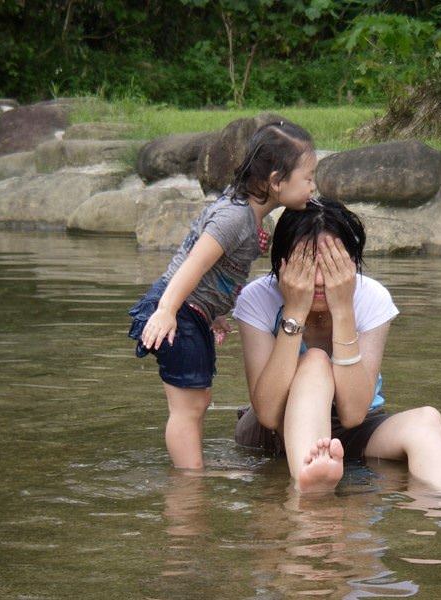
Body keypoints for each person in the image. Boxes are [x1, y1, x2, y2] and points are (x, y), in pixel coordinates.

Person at [233, 198, 441, 505]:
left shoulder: (370, 298)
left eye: (332, 265)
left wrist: (343, 310)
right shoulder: (258, 298)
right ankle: (309, 484)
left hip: (352, 428)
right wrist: (295, 311)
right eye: (307, 266)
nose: (321, 280)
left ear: (352, 263)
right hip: (275, 428)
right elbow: (268, 413)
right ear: (282, 263)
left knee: (426, 420)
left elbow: (353, 414)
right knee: (315, 361)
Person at [128, 121, 317, 469]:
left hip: (191, 310)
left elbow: (215, 273)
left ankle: (191, 472)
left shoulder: (248, 218)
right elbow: (194, 264)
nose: (313, 186)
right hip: (177, 308)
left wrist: (212, 312)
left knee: (197, 401)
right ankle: (189, 484)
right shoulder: (234, 218)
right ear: (276, 182)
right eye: (308, 177)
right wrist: (169, 310)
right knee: (188, 407)